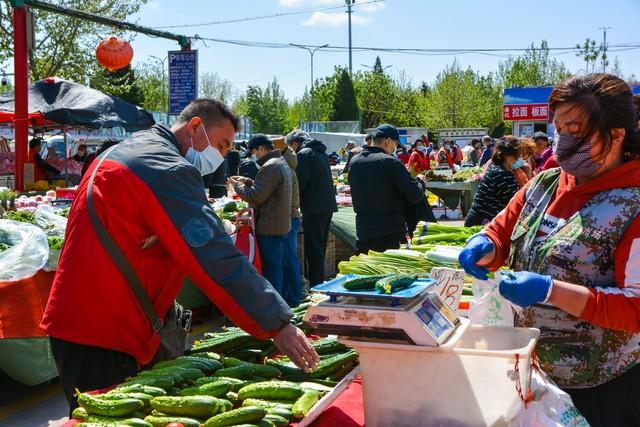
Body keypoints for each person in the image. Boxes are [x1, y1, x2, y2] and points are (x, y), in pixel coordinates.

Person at [41, 99, 318, 413]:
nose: (222, 157)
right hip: (107, 334)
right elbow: (214, 254)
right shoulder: (165, 167)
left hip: (82, 325)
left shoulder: (125, 151)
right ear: (196, 127)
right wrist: (278, 323)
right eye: (222, 146)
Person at [458, 74, 640, 427]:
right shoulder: (546, 183)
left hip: (602, 389)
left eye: (574, 129)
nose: (561, 141)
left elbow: (635, 306)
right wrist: (485, 246)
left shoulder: (633, 204)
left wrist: (551, 291)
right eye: (558, 128)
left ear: (616, 134)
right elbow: (502, 229)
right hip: (534, 372)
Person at [231, 134, 292, 300]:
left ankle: (275, 308)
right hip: (278, 225)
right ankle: (279, 304)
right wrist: (248, 181)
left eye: (254, 153)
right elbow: (267, 189)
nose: (254, 157)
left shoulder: (270, 166)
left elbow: (256, 196)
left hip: (269, 228)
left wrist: (237, 186)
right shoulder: (280, 162)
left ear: (261, 149)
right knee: (277, 268)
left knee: (272, 271)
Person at [348, 124, 427, 253]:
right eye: (395, 144)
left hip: (364, 232)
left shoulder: (355, 162)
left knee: (366, 272)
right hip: (390, 233)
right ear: (388, 141)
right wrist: (420, 182)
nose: (395, 149)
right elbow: (414, 194)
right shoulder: (391, 162)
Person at [286, 130, 338, 286]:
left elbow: (300, 184)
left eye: (290, 147)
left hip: (314, 207)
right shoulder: (320, 152)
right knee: (319, 248)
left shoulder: (304, 154)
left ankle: (316, 286)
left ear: (295, 143)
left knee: (313, 250)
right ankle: (319, 283)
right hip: (326, 206)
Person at [464, 136, 520, 227]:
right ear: (506, 155)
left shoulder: (495, 167)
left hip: (476, 218)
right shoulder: (503, 174)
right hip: (483, 222)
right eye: (517, 155)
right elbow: (517, 202)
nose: (519, 158)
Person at [281, 140, 303, 308]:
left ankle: (294, 298)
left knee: (289, 260)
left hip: (288, 217)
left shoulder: (284, 169)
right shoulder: (289, 166)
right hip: (291, 216)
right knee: (289, 259)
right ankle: (293, 296)